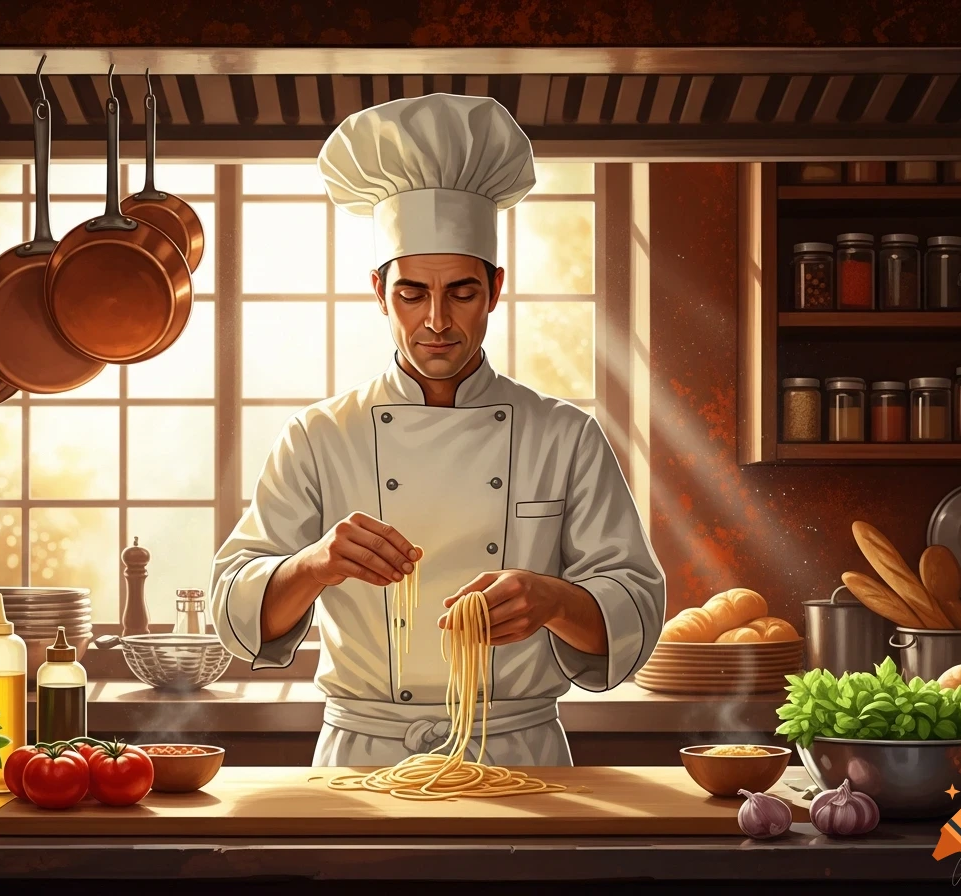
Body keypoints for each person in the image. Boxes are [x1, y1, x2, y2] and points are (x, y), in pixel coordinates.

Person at [210, 93, 665, 768]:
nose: (436, 322)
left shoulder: (564, 435)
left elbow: (634, 608)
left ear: (495, 288)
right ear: (378, 290)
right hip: (363, 757)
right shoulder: (318, 436)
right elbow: (233, 609)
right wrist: (317, 563)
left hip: (519, 754)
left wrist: (551, 599)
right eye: (412, 293)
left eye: (461, 292)